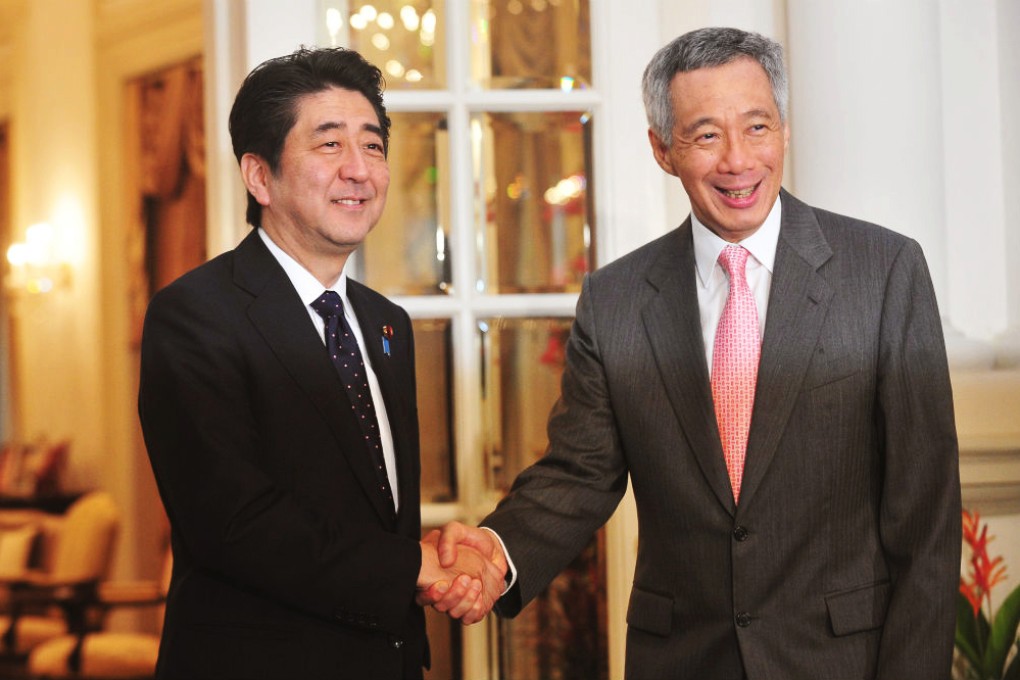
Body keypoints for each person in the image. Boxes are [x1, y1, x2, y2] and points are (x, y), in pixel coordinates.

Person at [425, 26, 962, 679]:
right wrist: (494, 551)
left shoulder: (884, 272)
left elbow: (925, 523)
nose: (738, 160)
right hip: (680, 661)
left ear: (785, 129)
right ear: (661, 149)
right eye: (706, 135)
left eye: (757, 127)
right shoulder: (615, 300)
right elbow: (580, 473)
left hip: (842, 659)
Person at [138, 47, 501, 680]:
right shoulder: (195, 315)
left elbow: (379, 511)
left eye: (374, 146)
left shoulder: (388, 323)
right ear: (260, 176)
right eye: (329, 146)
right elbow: (235, 522)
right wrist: (415, 567)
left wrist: (434, 568)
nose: (360, 170)